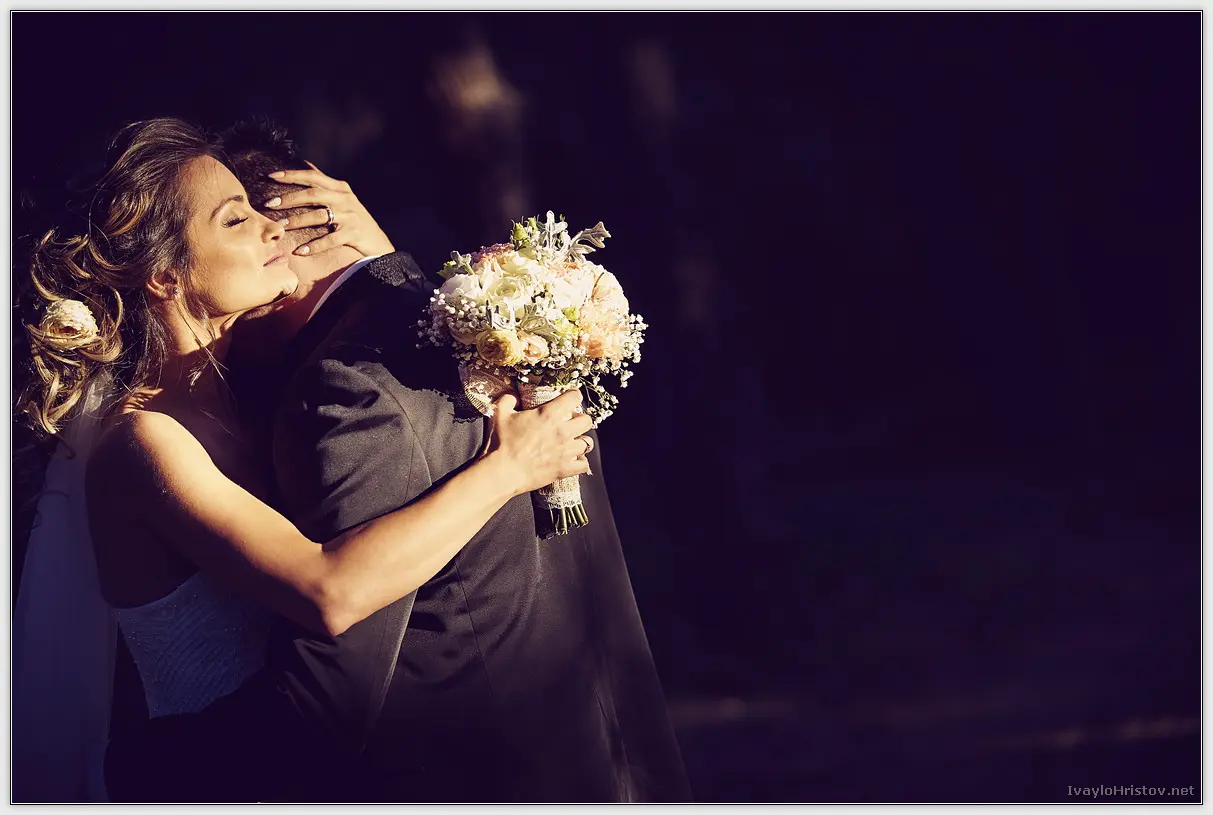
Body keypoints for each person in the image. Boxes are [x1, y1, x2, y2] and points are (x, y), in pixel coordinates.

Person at [103, 119, 693, 803]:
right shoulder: (163, 432)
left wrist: (386, 267)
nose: (272, 235)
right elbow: (330, 596)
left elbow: (332, 695)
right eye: (237, 220)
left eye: (265, 216)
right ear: (166, 276)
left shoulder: (359, 375)